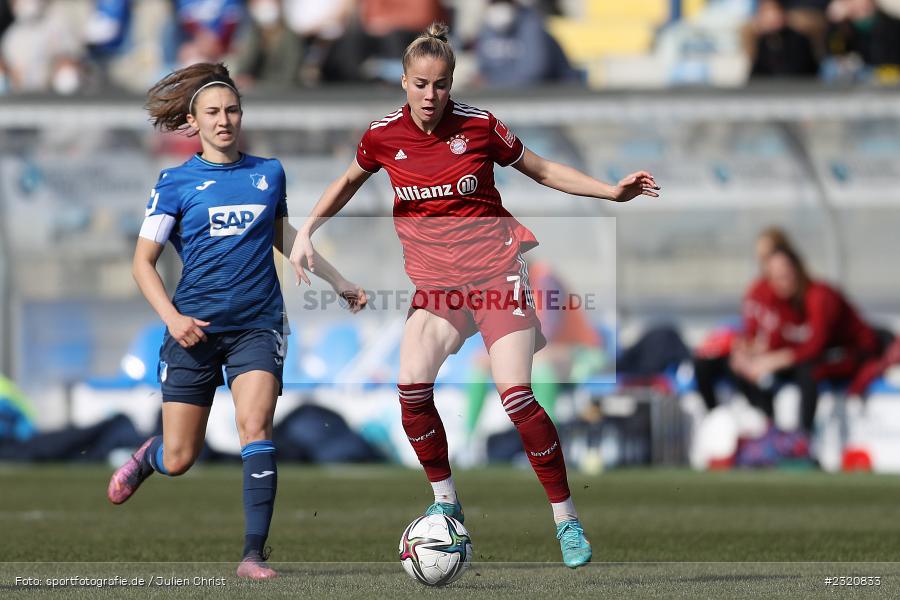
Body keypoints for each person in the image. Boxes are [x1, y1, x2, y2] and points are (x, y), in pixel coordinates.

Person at [289, 23, 658, 568]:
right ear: (404, 82)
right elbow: (347, 182)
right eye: (420, 84)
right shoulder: (382, 136)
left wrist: (609, 191)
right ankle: (447, 503)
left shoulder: (480, 127)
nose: (430, 96)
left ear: (452, 83)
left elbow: (542, 168)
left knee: (517, 398)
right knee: (411, 390)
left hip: (494, 276)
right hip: (437, 287)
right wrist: (306, 231)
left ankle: (567, 521)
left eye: (440, 85)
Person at [106, 62, 366, 580]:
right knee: (181, 457)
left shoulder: (268, 173)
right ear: (193, 122)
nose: (224, 120)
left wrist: (339, 282)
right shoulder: (176, 183)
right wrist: (173, 318)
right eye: (213, 113)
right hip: (192, 330)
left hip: (258, 325)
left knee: (256, 425)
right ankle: (149, 457)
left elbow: (283, 235)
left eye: (231, 110)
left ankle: (252, 554)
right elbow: (142, 262)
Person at [736, 244, 881, 433]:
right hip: (819, 355)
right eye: (774, 277)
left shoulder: (820, 296)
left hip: (855, 352)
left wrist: (771, 361)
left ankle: (805, 439)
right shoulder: (781, 301)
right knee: (744, 370)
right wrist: (750, 355)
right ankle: (769, 429)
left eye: (785, 274)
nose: (781, 282)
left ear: (797, 269)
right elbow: (779, 340)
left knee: (810, 370)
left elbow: (814, 346)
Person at [694, 227, 796, 413]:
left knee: (753, 374)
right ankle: (715, 416)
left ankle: (765, 420)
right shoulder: (757, 291)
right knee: (704, 364)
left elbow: (791, 336)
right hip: (756, 352)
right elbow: (752, 329)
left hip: (778, 358)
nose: (764, 263)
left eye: (768, 256)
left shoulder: (791, 292)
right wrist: (743, 347)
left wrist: (761, 354)